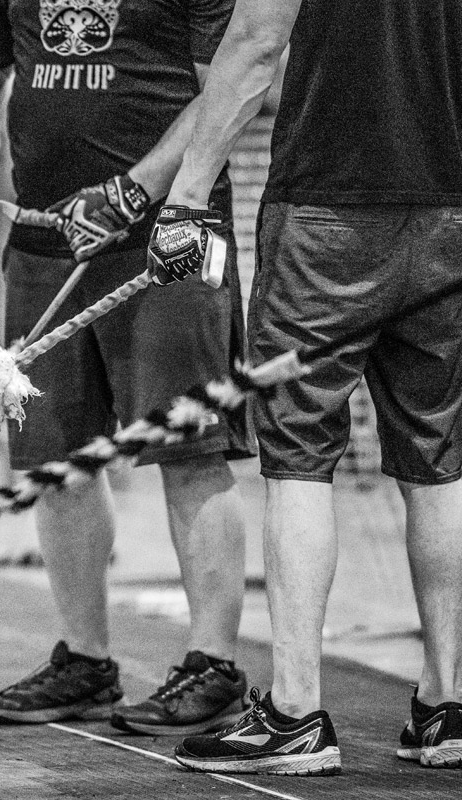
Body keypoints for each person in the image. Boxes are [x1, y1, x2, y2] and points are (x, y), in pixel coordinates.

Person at [148, 0, 462, 776]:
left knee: (299, 454)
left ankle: (293, 712)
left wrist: (186, 195)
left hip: (328, 208)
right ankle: (447, 704)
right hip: (453, 207)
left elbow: (258, 40)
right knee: (441, 449)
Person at [0, 0, 255, 737]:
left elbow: (228, 85)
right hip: (47, 241)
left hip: (163, 238)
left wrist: (135, 188)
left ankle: (214, 665)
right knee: (55, 460)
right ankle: (86, 662)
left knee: (191, 451)